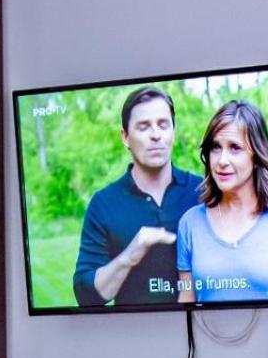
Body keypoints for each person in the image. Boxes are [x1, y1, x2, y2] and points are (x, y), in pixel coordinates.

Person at [176, 101, 268, 304]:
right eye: (216, 147)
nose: (222, 160)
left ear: (257, 155)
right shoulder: (190, 223)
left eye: (235, 148)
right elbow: (186, 303)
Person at [72, 86, 204, 306]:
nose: (156, 135)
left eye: (163, 125)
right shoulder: (103, 204)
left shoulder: (202, 192)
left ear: (173, 131)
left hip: (199, 325)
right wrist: (129, 256)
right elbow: (86, 297)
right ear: (125, 137)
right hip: (133, 327)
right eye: (144, 126)